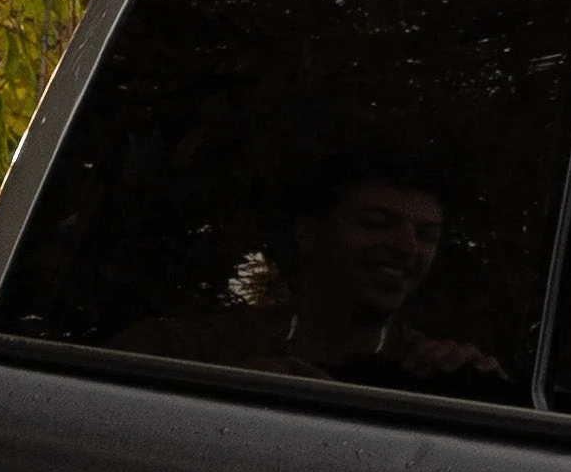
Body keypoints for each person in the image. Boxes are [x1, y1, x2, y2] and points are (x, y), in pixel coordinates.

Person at [115, 153, 504, 384]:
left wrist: (483, 389)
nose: (406, 247)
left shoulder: (433, 371)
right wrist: (229, 389)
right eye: (375, 224)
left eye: (427, 235)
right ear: (308, 235)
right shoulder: (192, 350)